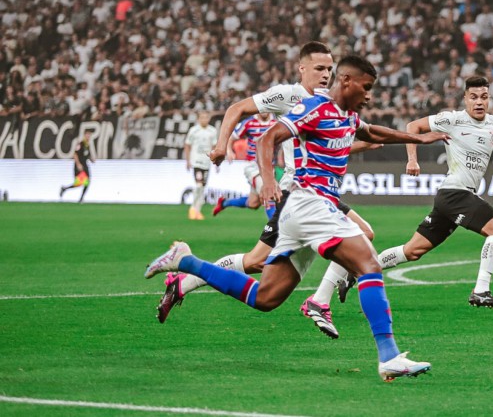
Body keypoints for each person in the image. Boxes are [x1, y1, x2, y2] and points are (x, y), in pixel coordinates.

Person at [145, 55, 449, 381]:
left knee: (266, 298)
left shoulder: (347, 115)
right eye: (366, 87)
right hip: (308, 204)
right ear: (346, 81)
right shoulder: (314, 107)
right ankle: (388, 355)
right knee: (368, 263)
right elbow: (267, 138)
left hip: (309, 210)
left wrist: (417, 138)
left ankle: (187, 262)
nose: (370, 95)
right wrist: (268, 181)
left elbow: (373, 132)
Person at [153, 42, 376, 340]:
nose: (325, 75)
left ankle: (184, 281)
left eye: (329, 70)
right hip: (294, 193)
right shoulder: (288, 95)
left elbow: (337, 142)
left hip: (318, 193)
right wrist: (222, 145)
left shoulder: (332, 103)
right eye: (319, 68)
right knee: (257, 261)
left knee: (260, 260)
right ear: (303, 68)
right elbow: (237, 108)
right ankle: (317, 302)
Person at [370, 76, 493, 309]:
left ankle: (359, 270)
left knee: (412, 251)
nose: (479, 102)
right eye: (473, 97)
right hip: (454, 193)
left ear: (489, 98)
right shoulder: (452, 119)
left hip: (454, 198)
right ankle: (481, 290)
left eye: (483, 97)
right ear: (465, 99)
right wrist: (412, 160)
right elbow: (413, 127)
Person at [211, 112, 276, 219]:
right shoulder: (249, 122)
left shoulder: (276, 122)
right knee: (268, 196)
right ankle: (275, 232)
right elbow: (232, 137)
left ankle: (224, 203)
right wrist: (229, 150)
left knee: (253, 203)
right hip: (253, 166)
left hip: (269, 167)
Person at [184, 112, 218, 220]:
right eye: (202, 117)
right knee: (198, 185)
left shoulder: (212, 131)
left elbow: (214, 147)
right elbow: (187, 145)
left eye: (206, 117)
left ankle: (197, 210)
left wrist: (216, 161)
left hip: (206, 162)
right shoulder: (194, 130)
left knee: (202, 187)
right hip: (196, 161)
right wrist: (188, 160)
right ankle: (193, 208)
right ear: (198, 119)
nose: (204, 119)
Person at [59, 128, 95, 202]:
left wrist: (91, 159)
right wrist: (78, 164)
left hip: (85, 165)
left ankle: (80, 198)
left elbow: (86, 155)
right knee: (80, 183)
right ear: (84, 135)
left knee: (86, 182)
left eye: (89, 135)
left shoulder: (87, 145)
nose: (88, 136)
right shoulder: (81, 143)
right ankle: (65, 189)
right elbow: (75, 154)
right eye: (87, 134)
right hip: (79, 166)